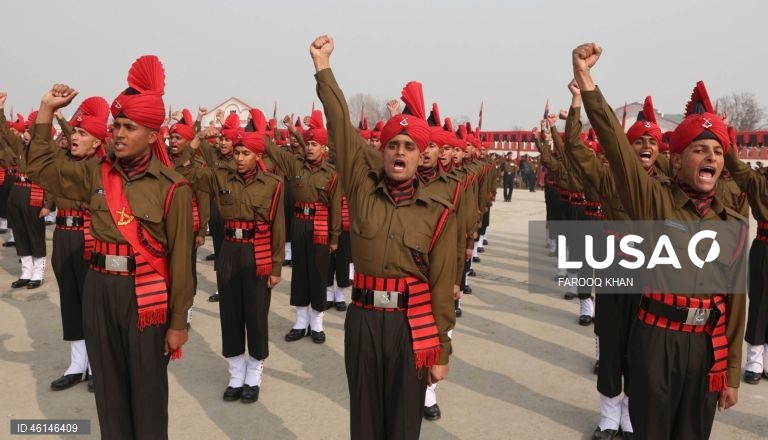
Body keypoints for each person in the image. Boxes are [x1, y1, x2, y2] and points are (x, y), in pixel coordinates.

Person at [574, 42, 746, 439]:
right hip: (656, 340)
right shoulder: (655, 202)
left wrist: (732, 373)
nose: (711, 157)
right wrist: (586, 82)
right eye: (699, 149)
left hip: (706, 348)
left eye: (717, 151)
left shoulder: (732, 220)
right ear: (678, 159)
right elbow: (618, 151)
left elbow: (736, 304)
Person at [27, 55, 194, 440]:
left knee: (148, 394)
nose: (117, 133)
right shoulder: (95, 173)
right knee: (109, 394)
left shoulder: (173, 188)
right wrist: (46, 111)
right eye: (115, 125)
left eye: (129, 127)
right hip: (99, 288)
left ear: (152, 136)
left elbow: (182, 261)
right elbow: (39, 166)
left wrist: (178, 322)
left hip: (145, 297)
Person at [313, 34, 457, 439]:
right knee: (364, 418)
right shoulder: (362, 186)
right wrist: (324, 68)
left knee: (403, 421)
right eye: (393, 144)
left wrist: (441, 352)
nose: (400, 152)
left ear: (420, 155)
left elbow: (442, 287)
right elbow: (340, 124)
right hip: (363, 319)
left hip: (412, 325)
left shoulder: (437, 214)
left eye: (410, 147)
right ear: (381, 152)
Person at [209, 123, 285, 403]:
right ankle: (235, 373)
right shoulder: (221, 178)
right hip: (229, 251)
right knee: (230, 314)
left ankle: (254, 372)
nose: (239, 157)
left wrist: (276, 267)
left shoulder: (273, 185)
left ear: (257, 156)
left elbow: (278, 227)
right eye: (237, 152)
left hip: (258, 254)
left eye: (245, 153)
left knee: (255, 313)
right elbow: (195, 167)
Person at [44, 96, 110, 393]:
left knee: (92, 304)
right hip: (63, 236)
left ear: (97, 143)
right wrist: (51, 112)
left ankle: (99, 365)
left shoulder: (102, 168)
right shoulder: (62, 163)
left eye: (83, 134)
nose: (75, 137)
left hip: (90, 237)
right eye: (75, 133)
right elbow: (36, 157)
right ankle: (77, 365)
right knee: (70, 300)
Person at [267, 109, 340, 344]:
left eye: (314, 144)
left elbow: (336, 208)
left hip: (320, 227)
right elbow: (272, 150)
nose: (309, 148)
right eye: (307, 143)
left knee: (318, 273)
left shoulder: (331, 175)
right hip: (299, 224)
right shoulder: (295, 165)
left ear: (323, 148)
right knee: (300, 272)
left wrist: (334, 236)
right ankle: (300, 321)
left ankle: (317, 322)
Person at [0, 104, 54, 289]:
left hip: (34, 194)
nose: (24, 135)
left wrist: (48, 205)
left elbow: (51, 180)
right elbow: (5, 132)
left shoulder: (46, 153)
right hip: (17, 192)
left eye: (29, 132)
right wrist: (0, 109)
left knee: (34, 235)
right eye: (25, 132)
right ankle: (26, 272)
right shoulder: (20, 148)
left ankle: (37, 274)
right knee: (20, 234)